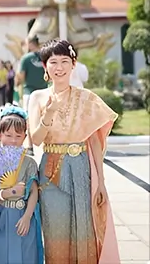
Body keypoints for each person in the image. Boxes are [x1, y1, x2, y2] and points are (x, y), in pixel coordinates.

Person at [28, 39, 120, 264]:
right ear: (45, 66)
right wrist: (49, 114)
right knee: (55, 231)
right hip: (51, 171)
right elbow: (36, 140)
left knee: (84, 230)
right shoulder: (37, 97)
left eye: (64, 61)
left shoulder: (86, 98)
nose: (59, 67)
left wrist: (101, 182)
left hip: (81, 168)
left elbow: (95, 143)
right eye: (53, 62)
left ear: (73, 64)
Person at [0, 105, 44, 264]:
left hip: (24, 213)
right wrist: (8, 192)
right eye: (8, 135)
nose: (13, 140)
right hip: (3, 214)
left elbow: (34, 192)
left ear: (25, 137)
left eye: (18, 136)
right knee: (4, 255)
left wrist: (27, 216)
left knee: (27, 254)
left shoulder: (30, 163)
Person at [18, 36, 48, 155]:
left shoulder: (26, 58)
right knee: (46, 118)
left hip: (29, 92)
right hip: (44, 90)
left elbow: (21, 76)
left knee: (29, 118)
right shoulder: (46, 57)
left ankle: (30, 146)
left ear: (30, 44)